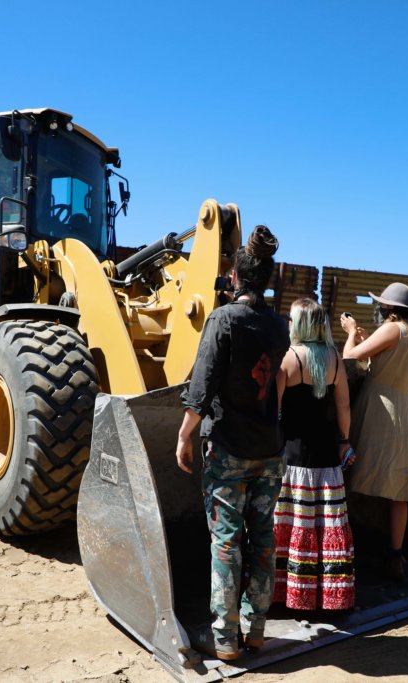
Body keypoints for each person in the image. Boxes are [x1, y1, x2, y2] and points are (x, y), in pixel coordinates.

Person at [176, 225, 289, 661]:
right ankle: (256, 630)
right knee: (262, 540)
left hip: (229, 450)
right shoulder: (278, 326)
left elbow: (200, 387)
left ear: (236, 278)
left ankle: (225, 637)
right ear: (268, 279)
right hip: (269, 450)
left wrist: (185, 436)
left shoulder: (224, 319)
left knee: (225, 542)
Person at [339, 283, 408, 581]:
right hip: (401, 410)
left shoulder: (392, 330)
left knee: (351, 474)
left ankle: (343, 552)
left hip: (377, 408)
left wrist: (351, 332)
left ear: (388, 308)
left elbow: (349, 358)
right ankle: (395, 555)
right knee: (398, 491)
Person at [273, 298, 355, 611]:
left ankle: (288, 596)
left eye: (292, 320)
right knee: (326, 525)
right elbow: (343, 407)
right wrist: (344, 441)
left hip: (292, 459)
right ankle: (330, 599)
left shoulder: (289, 359)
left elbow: (276, 411)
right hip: (326, 458)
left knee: (293, 524)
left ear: (301, 324)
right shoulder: (334, 358)